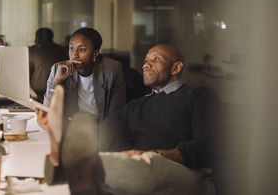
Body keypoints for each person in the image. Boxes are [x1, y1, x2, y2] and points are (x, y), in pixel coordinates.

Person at [40, 44, 220, 195]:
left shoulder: (198, 95)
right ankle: (70, 169)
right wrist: (55, 128)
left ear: (176, 68)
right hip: (142, 175)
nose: (146, 65)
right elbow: (97, 135)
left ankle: (66, 169)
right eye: (145, 61)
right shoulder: (135, 106)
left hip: (193, 176)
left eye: (155, 59)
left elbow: (209, 146)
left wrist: (160, 154)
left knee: (151, 163)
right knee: (110, 161)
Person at [41, 27, 126, 122]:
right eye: (72, 48)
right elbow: (47, 114)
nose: (74, 55)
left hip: (101, 127)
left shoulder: (112, 70)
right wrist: (57, 82)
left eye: (81, 50)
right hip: (70, 127)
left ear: (95, 53)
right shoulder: (58, 69)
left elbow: (115, 117)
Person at [29, 28, 67, 102]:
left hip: (39, 90)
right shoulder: (61, 50)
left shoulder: (32, 51)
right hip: (58, 89)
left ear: (37, 38)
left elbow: (27, 73)